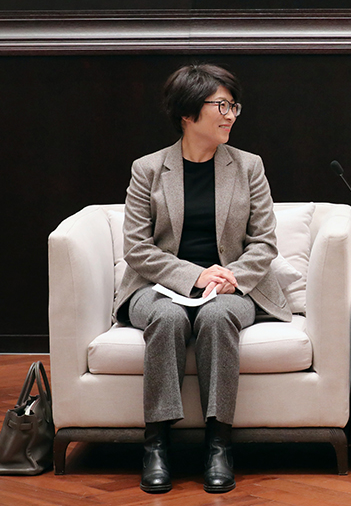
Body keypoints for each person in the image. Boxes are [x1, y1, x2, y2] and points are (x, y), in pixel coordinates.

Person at [113, 64, 292, 494]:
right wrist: (194, 276)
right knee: (168, 319)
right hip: (156, 286)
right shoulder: (149, 170)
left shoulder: (249, 167)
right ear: (188, 113)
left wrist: (231, 277)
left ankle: (219, 444)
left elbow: (264, 243)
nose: (231, 114)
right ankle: (156, 444)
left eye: (234, 106)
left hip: (231, 286)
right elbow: (137, 249)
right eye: (221, 105)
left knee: (216, 317)